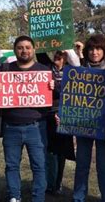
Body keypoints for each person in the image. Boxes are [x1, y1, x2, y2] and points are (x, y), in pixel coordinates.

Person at [0, 35, 54, 202]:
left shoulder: (44, 70)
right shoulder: (5, 69)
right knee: (12, 166)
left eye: (28, 47)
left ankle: (38, 198)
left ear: (34, 50)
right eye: (20, 47)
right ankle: (14, 197)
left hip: (37, 126)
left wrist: (55, 87)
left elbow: (55, 96)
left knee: (39, 166)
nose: (24, 50)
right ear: (15, 50)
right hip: (11, 126)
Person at [72, 34, 105, 202]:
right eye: (91, 49)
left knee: (104, 165)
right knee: (82, 163)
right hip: (84, 122)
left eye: (98, 49)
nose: (94, 52)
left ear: (104, 51)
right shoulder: (80, 68)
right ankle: (78, 197)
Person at [36, 50, 79, 195]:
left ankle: (58, 183)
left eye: (61, 55)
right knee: (48, 149)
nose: (57, 57)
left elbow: (76, 91)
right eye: (55, 54)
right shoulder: (46, 68)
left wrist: (58, 87)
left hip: (64, 113)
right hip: (47, 113)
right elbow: (41, 51)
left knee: (61, 151)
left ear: (66, 58)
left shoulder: (71, 71)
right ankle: (49, 182)